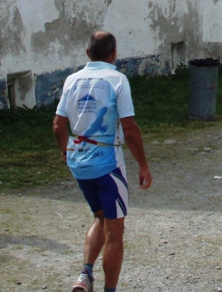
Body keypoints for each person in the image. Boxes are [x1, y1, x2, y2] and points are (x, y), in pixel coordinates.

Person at [53, 31, 152, 292]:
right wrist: (143, 165)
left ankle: (85, 273)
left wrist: (65, 150)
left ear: (87, 53)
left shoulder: (71, 80)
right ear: (114, 53)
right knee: (115, 232)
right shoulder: (117, 80)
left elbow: (57, 125)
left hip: (79, 162)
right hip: (108, 164)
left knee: (99, 217)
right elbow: (130, 129)